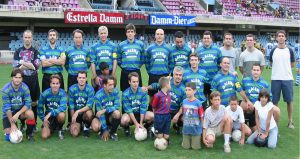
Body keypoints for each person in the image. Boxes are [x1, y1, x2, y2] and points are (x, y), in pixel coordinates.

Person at [13, 29, 40, 132]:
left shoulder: (36, 51)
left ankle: (34, 124)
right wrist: (29, 65)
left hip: (33, 81)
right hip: (21, 81)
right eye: (26, 37)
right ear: (23, 38)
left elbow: (36, 66)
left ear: (32, 38)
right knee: (22, 103)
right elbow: (16, 69)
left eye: (29, 37)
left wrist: (22, 62)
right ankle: (22, 124)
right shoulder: (18, 51)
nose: (27, 39)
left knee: (33, 103)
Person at [147, 66, 186, 134]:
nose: (178, 77)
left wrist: (177, 115)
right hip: (164, 110)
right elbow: (156, 85)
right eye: (176, 74)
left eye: (180, 75)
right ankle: (153, 126)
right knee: (154, 116)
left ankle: (177, 125)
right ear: (172, 75)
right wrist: (146, 88)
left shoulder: (183, 89)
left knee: (185, 119)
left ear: (182, 76)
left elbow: (183, 105)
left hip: (175, 111)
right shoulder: (167, 83)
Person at [270, 30, 295, 129]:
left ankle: (290, 121)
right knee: (275, 102)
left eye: (282, 36)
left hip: (287, 79)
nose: (281, 37)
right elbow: (271, 63)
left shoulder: (290, 50)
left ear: (285, 38)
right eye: (279, 36)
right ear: (276, 38)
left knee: (289, 101)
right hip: (275, 79)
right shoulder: (273, 50)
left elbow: (292, 64)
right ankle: (275, 123)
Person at [2, 69, 36, 141]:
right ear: (12, 78)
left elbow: (28, 103)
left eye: (19, 77)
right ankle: (15, 126)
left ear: (22, 78)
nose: (17, 79)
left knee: (30, 113)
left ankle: (29, 134)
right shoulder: (5, 89)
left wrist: (18, 113)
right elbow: (7, 108)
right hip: (9, 113)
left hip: (21, 112)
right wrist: (12, 124)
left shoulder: (25, 88)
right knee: (8, 137)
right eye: (15, 77)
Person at [120, 72, 154, 137]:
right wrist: (136, 124)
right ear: (129, 82)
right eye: (133, 82)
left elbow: (143, 108)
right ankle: (127, 128)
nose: (136, 84)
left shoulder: (143, 92)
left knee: (152, 116)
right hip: (131, 115)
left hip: (141, 114)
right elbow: (129, 110)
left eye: (137, 81)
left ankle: (147, 126)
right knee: (123, 120)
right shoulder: (125, 94)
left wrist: (140, 123)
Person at [91, 76, 121, 141]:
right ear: (104, 85)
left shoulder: (115, 91)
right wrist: (105, 130)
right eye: (110, 85)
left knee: (117, 113)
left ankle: (113, 132)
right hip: (101, 117)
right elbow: (100, 114)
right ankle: (103, 130)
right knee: (95, 127)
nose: (112, 87)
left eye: (113, 84)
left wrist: (105, 110)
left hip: (110, 116)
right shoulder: (98, 95)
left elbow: (117, 106)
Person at [37, 75, 67, 140]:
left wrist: (50, 113)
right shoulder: (45, 94)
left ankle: (60, 129)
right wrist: (43, 119)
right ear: (50, 84)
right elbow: (39, 108)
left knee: (62, 115)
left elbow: (63, 107)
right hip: (48, 118)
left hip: (57, 115)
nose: (55, 85)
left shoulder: (62, 93)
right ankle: (51, 128)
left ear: (59, 84)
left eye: (57, 83)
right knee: (44, 136)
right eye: (53, 83)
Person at [117, 23, 145, 92]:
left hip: (136, 71)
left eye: (132, 32)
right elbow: (118, 59)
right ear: (126, 33)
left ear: (135, 33)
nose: (130, 34)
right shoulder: (121, 45)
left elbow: (143, 58)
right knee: (124, 92)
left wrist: (138, 65)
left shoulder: (140, 44)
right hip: (125, 72)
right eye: (128, 32)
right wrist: (123, 66)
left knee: (138, 92)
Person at [195, 31, 222, 100]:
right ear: (202, 40)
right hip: (202, 81)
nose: (206, 40)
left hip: (213, 80)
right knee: (202, 100)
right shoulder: (198, 51)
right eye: (204, 38)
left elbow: (220, 64)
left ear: (211, 39)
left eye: (208, 38)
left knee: (213, 101)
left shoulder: (217, 50)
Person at [69, 71, 94, 137]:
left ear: (86, 79)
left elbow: (89, 106)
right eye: (80, 77)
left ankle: (86, 127)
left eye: (83, 78)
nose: (81, 79)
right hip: (76, 115)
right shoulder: (72, 89)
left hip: (85, 113)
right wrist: (73, 119)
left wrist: (78, 111)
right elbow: (71, 106)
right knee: (74, 134)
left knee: (89, 113)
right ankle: (79, 125)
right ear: (77, 78)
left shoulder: (90, 89)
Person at [180, 82, 204, 150]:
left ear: (194, 91)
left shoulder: (198, 103)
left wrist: (202, 127)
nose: (187, 92)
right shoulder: (184, 101)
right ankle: (185, 141)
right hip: (186, 129)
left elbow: (201, 116)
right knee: (186, 147)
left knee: (195, 148)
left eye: (189, 90)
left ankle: (196, 139)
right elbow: (183, 112)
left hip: (196, 129)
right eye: (186, 90)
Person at [152, 77, 171, 144]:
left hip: (167, 116)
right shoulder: (157, 95)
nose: (170, 85)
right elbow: (154, 106)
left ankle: (166, 140)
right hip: (159, 116)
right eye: (169, 83)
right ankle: (154, 131)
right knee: (160, 136)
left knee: (166, 136)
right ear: (166, 85)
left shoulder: (169, 95)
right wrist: (156, 115)